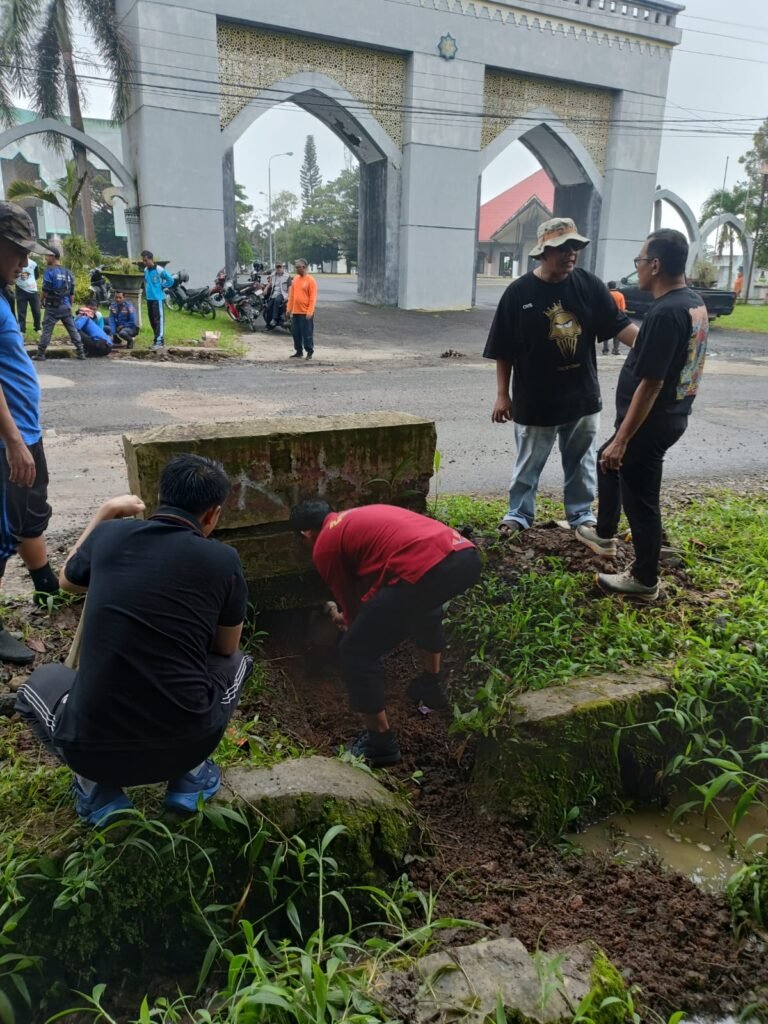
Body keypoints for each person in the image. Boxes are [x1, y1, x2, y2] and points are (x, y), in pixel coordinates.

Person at [15, 453, 254, 826]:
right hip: (186, 746)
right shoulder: (224, 560)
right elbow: (225, 648)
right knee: (238, 662)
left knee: (40, 683)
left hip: (92, 750)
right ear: (212, 514)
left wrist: (106, 512)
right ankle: (190, 776)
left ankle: (98, 790)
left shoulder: (110, 536)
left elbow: (67, 581)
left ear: (160, 496)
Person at [289, 500, 481, 766]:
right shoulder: (355, 517)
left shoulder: (325, 544)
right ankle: (431, 685)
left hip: (424, 569)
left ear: (306, 533)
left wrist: (344, 619)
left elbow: (350, 603)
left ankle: (380, 743)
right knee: (425, 607)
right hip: (464, 556)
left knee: (355, 651)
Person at [576, 229, 709, 601]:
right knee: (606, 461)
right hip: (669, 415)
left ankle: (644, 579)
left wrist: (623, 438)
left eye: (640, 261)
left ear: (656, 265)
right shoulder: (692, 302)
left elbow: (651, 384)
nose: (637, 267)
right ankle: (604, 532)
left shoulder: (666, 313)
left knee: (641, 502)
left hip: (650, 423)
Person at [484, 217, 638, 536]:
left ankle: (581, 514)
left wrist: (655, 348)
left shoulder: (589, 285)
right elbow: (503, 348)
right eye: (563, 248)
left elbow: (620, 326)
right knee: (528, 463)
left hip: (582, 396)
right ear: (543, 252)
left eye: (575, 247)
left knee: (581, 463)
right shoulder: (518, 293)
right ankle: (519, 514)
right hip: (535, 400)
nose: (571, 254)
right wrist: (502, 394)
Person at [0, 202, 62, 662]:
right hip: (10, 438)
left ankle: (45, 585)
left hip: (23, 431)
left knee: (27, 512)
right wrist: (13, 441)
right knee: (3, 529)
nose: (25, 262)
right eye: (18, 251)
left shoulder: (3, 294)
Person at [34, 246, 85, 361]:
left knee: (47, 329)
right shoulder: (68, 272)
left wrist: (41, 301)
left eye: (47, 256)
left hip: (53, 306)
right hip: (66, 306)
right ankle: (81, 352)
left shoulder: (49, 271)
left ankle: (41, 354)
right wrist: (70, 306)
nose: (45, 258)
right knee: (72, 330)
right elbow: (72, 293)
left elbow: (45, 290)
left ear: (52, 256)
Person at [141, 250, 174, 348]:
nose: (144, 262)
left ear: (151, 259)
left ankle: (159, 341)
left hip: (158, 298)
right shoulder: (146, 270)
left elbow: (170, 279)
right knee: (152, 320)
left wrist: (163, 286)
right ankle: (157, 339)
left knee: (159, 320)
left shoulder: (159, 269)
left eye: (146, 260)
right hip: (149, 298)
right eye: (143, 261)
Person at [287, 258, 316, 360]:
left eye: (298, 267)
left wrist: (310, 311)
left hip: (306, 312)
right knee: (296, 333)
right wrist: (289, 309)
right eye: (296, 267)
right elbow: (291, 296)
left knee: (307, 333)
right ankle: (298, 351)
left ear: (304, 267)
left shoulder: (310, 280)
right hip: (296, 311)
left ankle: (309, 351)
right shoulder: (295, 279)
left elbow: (312, 298)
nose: (297, 269)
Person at [15, 256, 41, 334]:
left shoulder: (33, 264)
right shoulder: (16, 262)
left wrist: (29, 280)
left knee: (36, 311)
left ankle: (37, 327)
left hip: (33, 290)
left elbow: (36, 276)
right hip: (20, 289)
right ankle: (22, 330)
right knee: (21, 311)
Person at [263, 261, 291, 329]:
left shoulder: (287, 276)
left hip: (282, 294)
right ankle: (268, 324)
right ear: (275, 268)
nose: (278, 268)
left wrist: (288, 296)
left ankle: (274, 319)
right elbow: (270, 283)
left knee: (277, 301)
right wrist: (266, 288)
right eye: (277, 267)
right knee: (268, 307)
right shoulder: (273, 275)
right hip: (274, 293)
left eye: (279, 267)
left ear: (282, 267)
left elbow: (289, 287)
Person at [602, 281, 627, 355]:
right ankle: (615, 350)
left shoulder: (604, 294)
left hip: (606, 316)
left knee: (606, 333)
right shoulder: (620, 295)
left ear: (608, 286)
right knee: (617, 334)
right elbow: (622, 309)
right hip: (617, 316)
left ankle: (605, 350)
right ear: (615, 286)